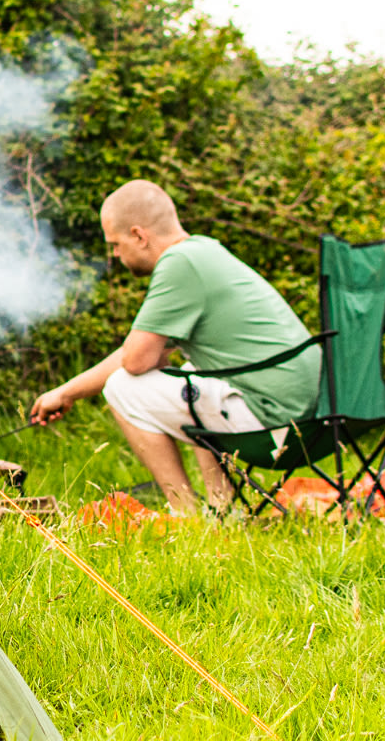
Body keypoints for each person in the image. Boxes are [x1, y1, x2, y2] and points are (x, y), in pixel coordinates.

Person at [29, 180, 319, 513]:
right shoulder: (203, 252)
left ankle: (186, 512)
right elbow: (144, 352)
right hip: (310, 417)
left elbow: (135, 362)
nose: (115, 254)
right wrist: (67, 392)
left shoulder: (180, 265)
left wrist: (65, 393)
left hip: (277, 425)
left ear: (139, 235)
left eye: (116, 244)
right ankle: (223, 510)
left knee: (123, 387)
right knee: (192, 373)